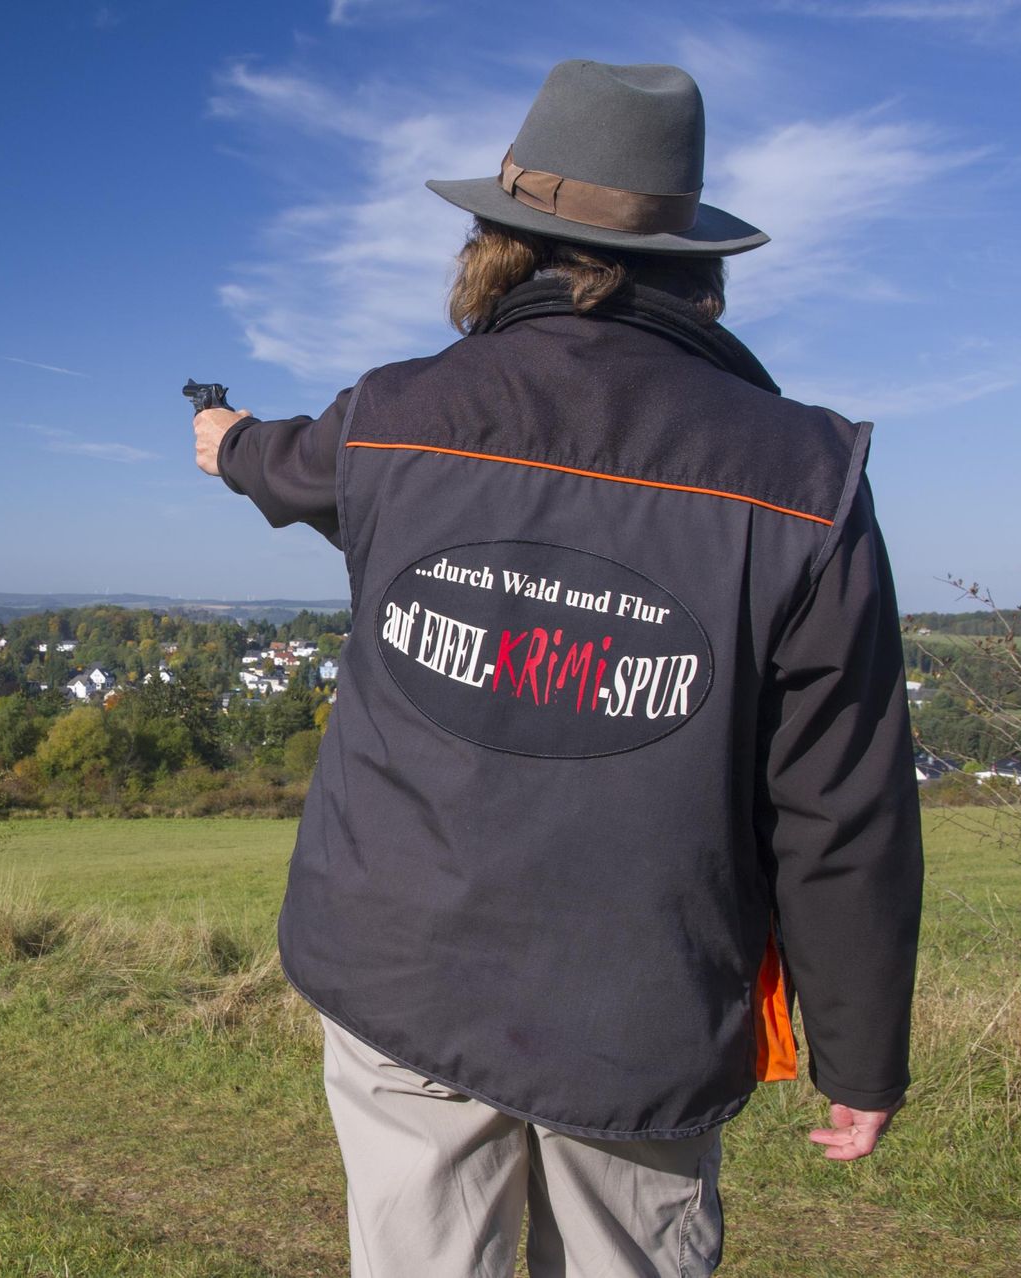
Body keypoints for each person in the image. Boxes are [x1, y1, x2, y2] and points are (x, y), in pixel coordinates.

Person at [192, 60, 922, 1277]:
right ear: (698, 261)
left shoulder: (394, 416)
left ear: (500, 242)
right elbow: (841, 804)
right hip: (643, 1009)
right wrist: (858, 1050)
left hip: (400, 970)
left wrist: (224, 449)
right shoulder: (805, 478)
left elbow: (287, 464)